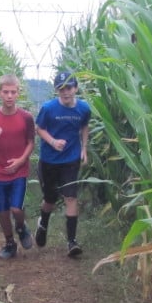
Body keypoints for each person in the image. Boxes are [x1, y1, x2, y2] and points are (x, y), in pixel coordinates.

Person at [35, 71, 92, 257]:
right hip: (49, 160)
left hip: (71, 160)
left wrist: (84, 148)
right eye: (61, 88)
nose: (65, 92)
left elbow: (84, 126)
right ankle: (42, 223)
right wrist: (53, 142)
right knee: (50, 199)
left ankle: (72, 242)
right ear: (56, 90)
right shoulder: (48, 108)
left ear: (75, 88)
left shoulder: (83, 109)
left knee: (70, 197)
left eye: (69, 87)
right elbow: (39, 128)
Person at [0, 74, 36, 259]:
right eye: (6, 92)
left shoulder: (26, 118)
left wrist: (20, 161)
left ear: (18, 94)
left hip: (19, 171)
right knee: (3, 211)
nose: (9, 96)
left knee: (16, 209)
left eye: (13, 92)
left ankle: (21, 227)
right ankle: (10, 243)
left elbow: (31, 143)